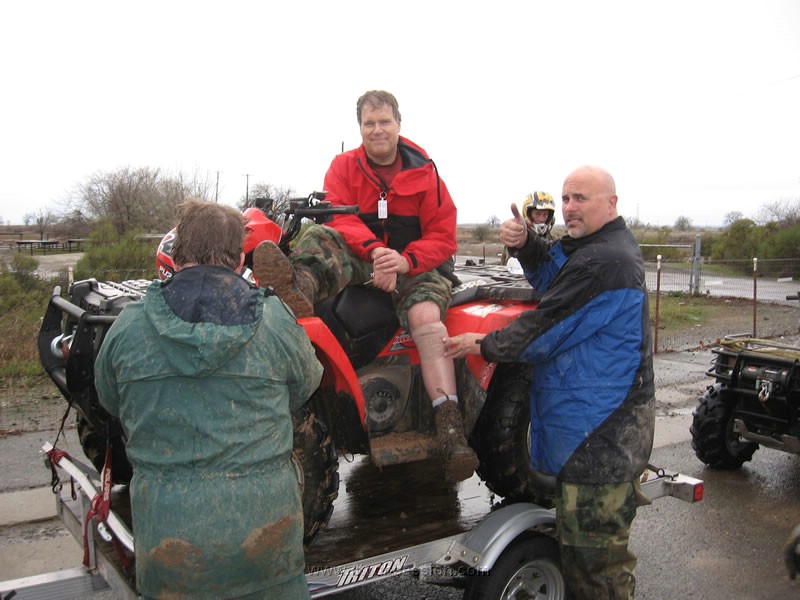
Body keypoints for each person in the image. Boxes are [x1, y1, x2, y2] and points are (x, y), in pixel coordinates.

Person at [95, 199, 322, 600]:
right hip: (267, 549)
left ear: (176, 252)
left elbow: (111, 401)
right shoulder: (277, 321)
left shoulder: (128, 327)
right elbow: (304, 388)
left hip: (173, 557)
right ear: (239, 257)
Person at [445, 166, 655, 599]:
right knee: (580, 559)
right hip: (583, 436)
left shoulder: (607, 263)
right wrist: (527, 245)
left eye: (582, 198)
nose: (570, 208)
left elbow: (546, 328)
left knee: (597, 572)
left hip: (600, 441)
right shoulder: (592, 249)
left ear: (611, 203)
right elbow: (556, 273)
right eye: (566, 199)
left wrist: (482, 342)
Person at [252, 89, 478, 483]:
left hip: (416, 265)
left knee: (426, 318)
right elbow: (338, 219)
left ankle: (450, 428)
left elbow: (443, 235)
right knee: (320, 236)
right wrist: (376, 252)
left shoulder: (425, 172)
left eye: (384, 122)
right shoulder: (343, 166)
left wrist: (404, 261)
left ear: (398, 124)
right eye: (369, 123)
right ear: (360, 128)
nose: (377, 130)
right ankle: (299, 291)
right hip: (365, 255)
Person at [503, 191, 556, 269]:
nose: (541, 219)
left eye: (545, 215)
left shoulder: (553, 239)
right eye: (537, 214)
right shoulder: (518, 239)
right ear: (528, 214)